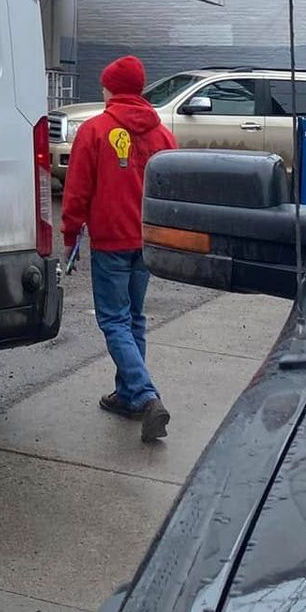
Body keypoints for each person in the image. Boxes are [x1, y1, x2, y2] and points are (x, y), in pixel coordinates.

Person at [61, 54, 176, 443]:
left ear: (112, 88)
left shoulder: (94, 131)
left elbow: (76, 191)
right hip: (146, 241)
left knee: (113, 320)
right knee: (135, 319)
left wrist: (69, 233)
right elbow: (171, 188)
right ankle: (128, 395)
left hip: (111, 241)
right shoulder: (163, 135)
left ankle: (144, 394)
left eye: (105, 84)